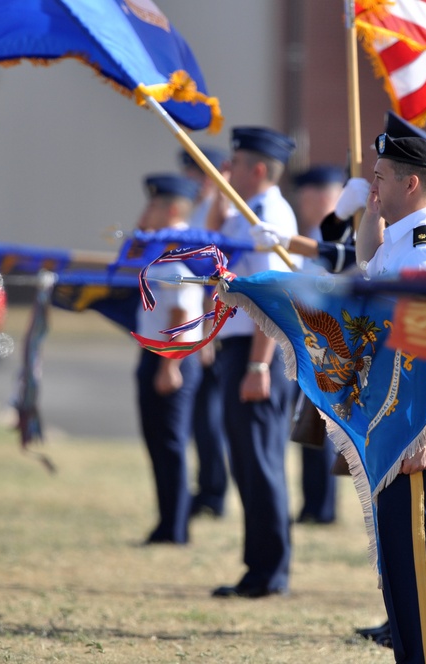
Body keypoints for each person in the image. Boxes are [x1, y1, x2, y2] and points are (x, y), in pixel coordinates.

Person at [354, 132, 426, 663]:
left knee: (419, 566)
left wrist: (421, 433)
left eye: (380, 176)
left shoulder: (424, 248)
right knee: (402, 568)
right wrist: (365, 249)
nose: (371, 186)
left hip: (421, 422)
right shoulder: (401, 240)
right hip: (403, 418)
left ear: (412, 182)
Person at [209, 126, 300, 598]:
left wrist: (259, 367)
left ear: (258, 169)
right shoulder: (245, 213)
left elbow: (276, 299)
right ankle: (258, 567)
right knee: (246, 463)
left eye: (236, 164)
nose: (228, 171)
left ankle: (269, 572)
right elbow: (213, 244)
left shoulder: (270, 215)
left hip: (257, 352)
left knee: (261, 462)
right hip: (239, 350)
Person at [134, 174, 207, 545]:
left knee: (171, 444)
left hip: (171, 359)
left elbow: (181, 313)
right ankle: (167, 522)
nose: (144, 211)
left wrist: (170, 365)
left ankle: (175, 527)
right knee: (158, 443)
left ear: (173, 210)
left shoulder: (177, 257)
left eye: (154, 204)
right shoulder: (160, 251)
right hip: (157, 355)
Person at [291, 165, 346, 524]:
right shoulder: (307, 236)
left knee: (326, 427)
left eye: (316, 194)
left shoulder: (339, 240)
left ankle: (322, 507)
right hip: (306, 338)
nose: (306, 202)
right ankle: (312, 504)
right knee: (308, 425)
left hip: (331, 341)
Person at [178, 145, 231, 518]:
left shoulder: (220, 212)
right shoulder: (198, 210)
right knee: (202, 417)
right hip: (198, 322)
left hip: (211, 326)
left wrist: (208, 329)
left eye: (197, 173)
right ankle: (208, 486)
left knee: (209, 417)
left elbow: (215, 275)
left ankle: (213, 492)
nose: (192, 180)